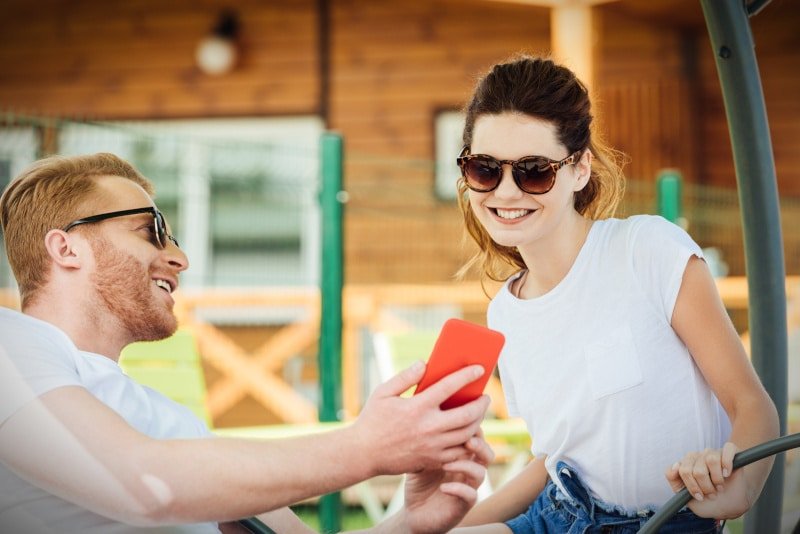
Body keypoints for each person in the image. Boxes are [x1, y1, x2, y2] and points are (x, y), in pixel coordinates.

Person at [0, 153, 494, 534]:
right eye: (152, 231)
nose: (179, 257)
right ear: (66, 247)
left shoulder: (172, 425)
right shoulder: (12, 347)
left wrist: (408, 522)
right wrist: (368, 447)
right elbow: (143, 483)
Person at [448, 55, 779, 533]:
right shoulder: (504, 312)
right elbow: (556, 456)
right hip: (558, 517)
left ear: (579, 168)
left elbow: (752, 405)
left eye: (534, 170)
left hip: (664, 522)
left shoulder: (647, 250)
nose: (505, 192)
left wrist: (739, 491)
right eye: (484, 169)